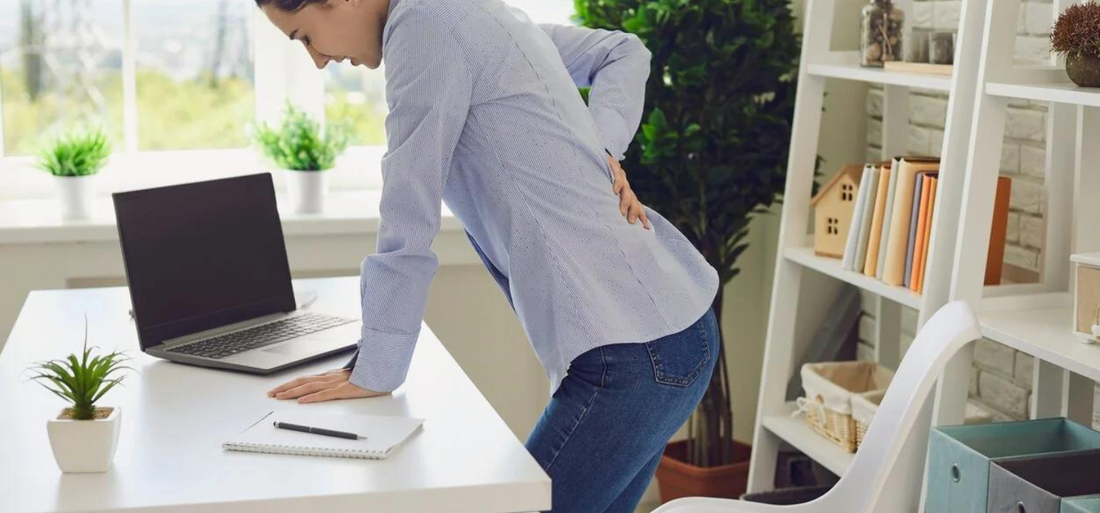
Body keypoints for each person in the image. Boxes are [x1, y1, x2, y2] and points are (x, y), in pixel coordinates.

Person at [257, 0, 721, 510]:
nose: (317, 60)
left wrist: (378, 368)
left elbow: (408, 205)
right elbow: (622, 51)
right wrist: (604, 147)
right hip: (674, 334)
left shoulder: (423, 24)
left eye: (304, 37)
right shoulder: (463, 12)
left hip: (637, 355)